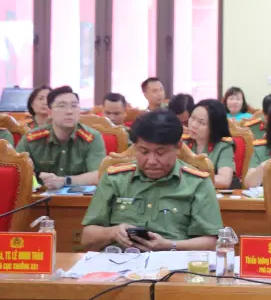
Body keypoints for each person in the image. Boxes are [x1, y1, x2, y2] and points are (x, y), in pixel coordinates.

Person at [80, 110, 223, 252]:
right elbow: (86, 238)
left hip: (173, 261)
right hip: (120, 260)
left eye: (160, 153)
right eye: (144, 152)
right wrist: (113, 232)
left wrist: (170, 245)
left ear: (178, 147)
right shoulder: (115, 179)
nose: (152, 161)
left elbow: (211, 243)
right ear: (135, 147)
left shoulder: (198, 183)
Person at [16, 86, 106, 189]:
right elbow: (15, 171)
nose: (69, 111)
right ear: (50, 112)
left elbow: (99, 175)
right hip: (40, 196)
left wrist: (64, 181)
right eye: (62, 106)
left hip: (79, 196)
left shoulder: (92, 137)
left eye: (74, 106)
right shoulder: (31, 139)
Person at [184, 99, 236, 189]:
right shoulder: (183, 142)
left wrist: (190, 181)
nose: (194, 125)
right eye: (192, 118)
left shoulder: (223, 146)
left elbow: (224, 180)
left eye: (201, 122)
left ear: (214, 127)